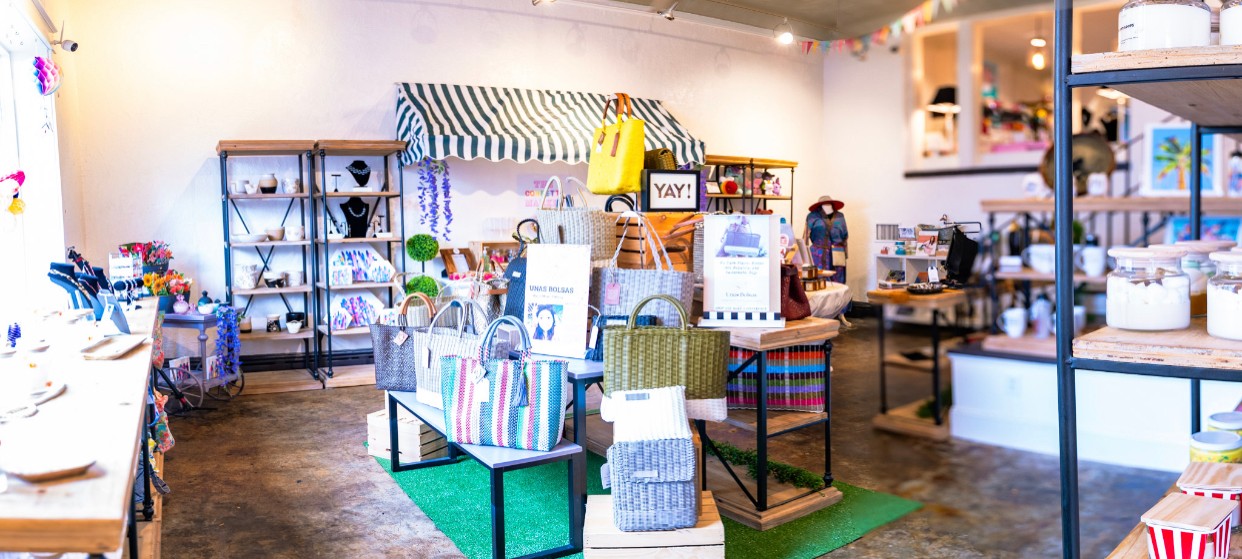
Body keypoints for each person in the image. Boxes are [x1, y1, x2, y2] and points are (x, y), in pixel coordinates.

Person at [805, 195, 848, 284]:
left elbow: (845, 237)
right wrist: (804, 257)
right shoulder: (812, 216)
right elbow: (805, 237)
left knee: (837, 282)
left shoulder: (840, 216)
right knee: (819, 281)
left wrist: (845, 255)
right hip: (818, 253)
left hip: (838, 253)